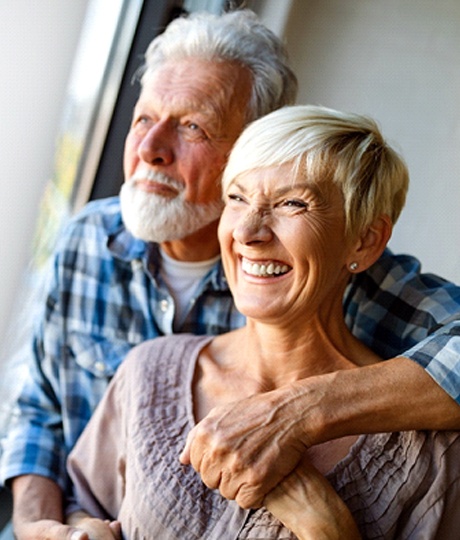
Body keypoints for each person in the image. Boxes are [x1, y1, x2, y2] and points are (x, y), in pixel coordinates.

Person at [0, 8, 459, 540]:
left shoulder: (357, 282)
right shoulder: (87, 239)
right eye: (143, 119)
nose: (150, 150)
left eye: (192, 126)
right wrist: (41, 524)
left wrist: (298, 413)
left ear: (253, 144)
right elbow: (38, 406)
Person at [66, 105, 460, 539]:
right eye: (237, 198)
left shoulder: (434, 453)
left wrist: (327, 528)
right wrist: (85, 530)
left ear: (365, 241)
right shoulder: (149, 371)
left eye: (293, 203)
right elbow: (81, 506)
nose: (248, 232)